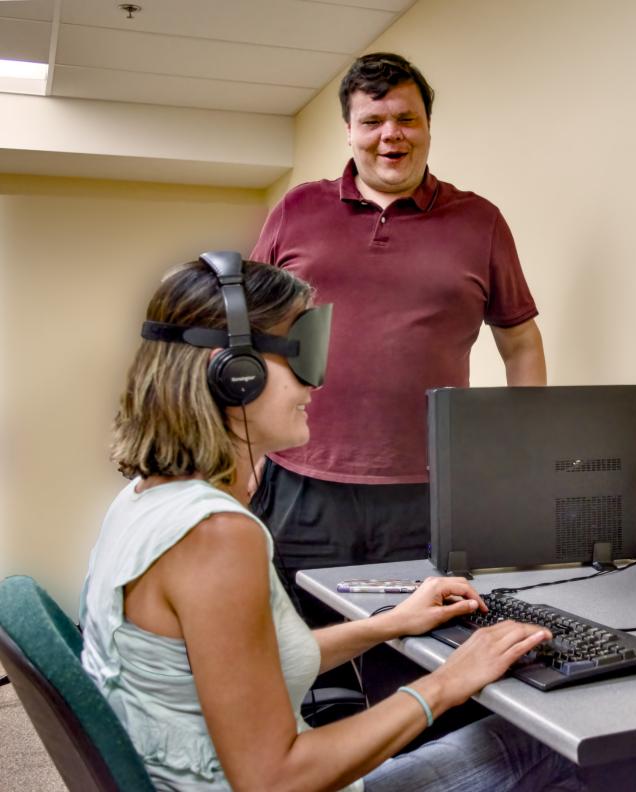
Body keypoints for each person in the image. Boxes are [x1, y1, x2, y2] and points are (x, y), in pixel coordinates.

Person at [79, 255, 582, 791]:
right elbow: (275, 780)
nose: (315, 385)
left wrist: (390, 623)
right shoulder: (216, 535)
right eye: (298, 359)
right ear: (234, 376)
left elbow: (245, 669)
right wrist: (448, 683)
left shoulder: (143, 500)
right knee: (564, 749)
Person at [249, 52, 546, 619]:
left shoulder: (479, 221)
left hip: (429, 491)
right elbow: (249, 335)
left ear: (428, 127)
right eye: (373, 121)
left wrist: (520, 451)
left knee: (413, 650)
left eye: (407, 119)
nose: (391, 135)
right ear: (350, 131)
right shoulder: (296, 209)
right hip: (300, 476)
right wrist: (241, 452)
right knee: (301, 655)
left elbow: (521, 343)